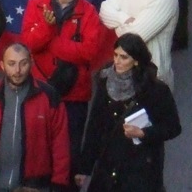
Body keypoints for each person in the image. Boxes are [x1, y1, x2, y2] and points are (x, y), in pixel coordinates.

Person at [17, 0, 112, 151]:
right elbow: (28, 45)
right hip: (40, 90)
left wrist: (53, 42)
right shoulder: (35, 5)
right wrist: (46, 27)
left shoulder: (89, 12)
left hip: (75, 95)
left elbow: (89, 52)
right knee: (38, 148)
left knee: (70, 149)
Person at [76, 32, 181, 192]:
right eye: (116, 55)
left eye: (124, 57)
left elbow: (173, 127)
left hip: (139, 169)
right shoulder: (106, 82)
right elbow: (95, 126)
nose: (117, 61)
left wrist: (144, 133)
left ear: (136, 61)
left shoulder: (155, 90)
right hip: (108, 165)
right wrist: (85, 168)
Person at [0, 42, 71, 192]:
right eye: (12, 64)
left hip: (34, 187)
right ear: (2, 65)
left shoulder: (49, 97)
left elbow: (61, 145)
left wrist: (59, 184)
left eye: (23, 64)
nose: (17, 70)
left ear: (32, 63)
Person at [98, 0, 179, 90]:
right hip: (125, 74)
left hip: (153, 79)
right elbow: (104, 9)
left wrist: (116, 20)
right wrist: (124, 19)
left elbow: (134, 39)